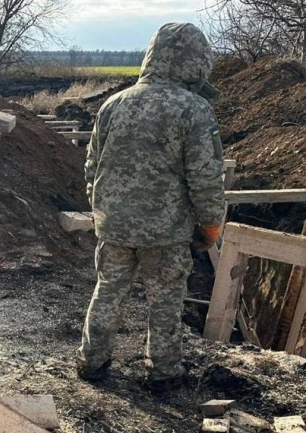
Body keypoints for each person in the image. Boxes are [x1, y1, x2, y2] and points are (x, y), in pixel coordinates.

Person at [77, 23, 225, 391]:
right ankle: (163, 374)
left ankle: (91, 363)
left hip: (113, 226)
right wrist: (210, 228)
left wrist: (102, 210)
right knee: (165, 301)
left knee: (107, 290)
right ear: (197, 62)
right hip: (167, 232)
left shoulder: (114, 104)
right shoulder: (194, 109)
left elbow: (92, 166)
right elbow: (205, 180)